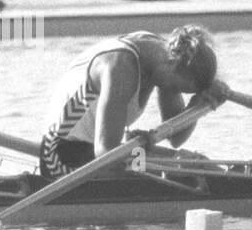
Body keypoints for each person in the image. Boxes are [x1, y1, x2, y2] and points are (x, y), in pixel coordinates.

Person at [38, 25, 229, 181]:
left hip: (95, 154)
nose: (174, 92)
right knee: (185, 167)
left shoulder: (166, 56)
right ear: (173, 64)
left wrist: (198, 102)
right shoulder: (121, 67)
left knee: (194, 163)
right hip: (60, 159)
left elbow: (176, 138)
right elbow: (106, 154)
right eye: (178, 88)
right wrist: (161, 161)